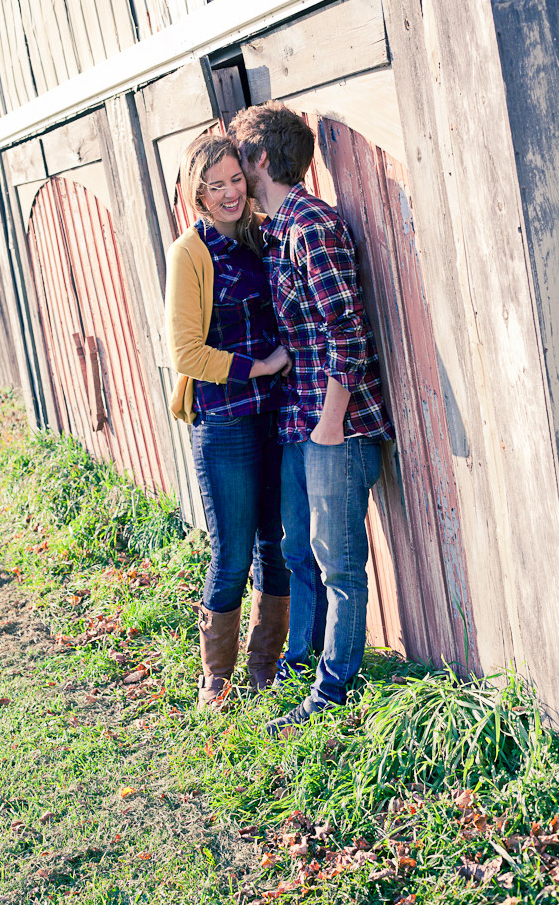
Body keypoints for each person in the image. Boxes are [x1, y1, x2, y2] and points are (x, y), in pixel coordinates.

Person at [228, 102, 394, 734]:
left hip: (336, 427)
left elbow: (346, 328)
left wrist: (330, 420)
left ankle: (334, 691)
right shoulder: (277, 231)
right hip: (301, 423)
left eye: (241, 162)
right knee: (300, 549)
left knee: (338, 562)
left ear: (262, 159)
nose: (238, 179)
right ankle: (300, 667)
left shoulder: (311, 227)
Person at [165, 134, 292, 710]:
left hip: (278, 418)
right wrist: (259, 366)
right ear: (199, 195)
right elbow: (186, 354)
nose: (230, 194)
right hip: (225, 423)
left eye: (235, 180)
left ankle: (266, 668)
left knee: (278, 544)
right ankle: (216, 678)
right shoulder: (190, 253)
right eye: (215, 186)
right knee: (233, 553)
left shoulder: (265, 237)